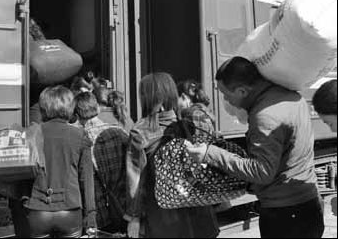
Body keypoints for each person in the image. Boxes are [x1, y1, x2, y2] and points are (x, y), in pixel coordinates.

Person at [186, 57, 325, 238]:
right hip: (310, 204)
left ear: (243, 91)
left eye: (226, 94)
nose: (225, 99)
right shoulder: (293, 97)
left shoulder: (264, 116)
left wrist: (209, 153)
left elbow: (261, 171)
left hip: (284, 216)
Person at [126, 73, 220, 238]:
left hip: (164, 218)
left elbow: (135, 179)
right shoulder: (188, 124)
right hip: (199, 214)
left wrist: (133, 217)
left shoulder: (140, 131)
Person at [23, 86, 96, 238]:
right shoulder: (80, 135)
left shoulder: (30, 134)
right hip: (70, 209)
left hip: (38, 210)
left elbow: (22, 177)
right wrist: (91, 218)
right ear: (70, 107)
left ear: (43, 107)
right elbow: (87, 180)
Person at [74, 92, 128, 234]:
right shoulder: (120, 133)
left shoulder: (78, 140)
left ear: (77, 114)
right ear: (97, 108)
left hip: (97, 215)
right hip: (124, 209)